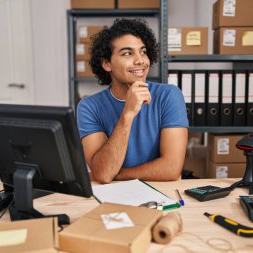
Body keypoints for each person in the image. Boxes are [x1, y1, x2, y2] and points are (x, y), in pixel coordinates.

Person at [77, 18, 188, 184]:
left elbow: (171, 168)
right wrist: (127, 115)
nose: (140, 61)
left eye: (143, 52)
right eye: (127, 53)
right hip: (112, 196)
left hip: (162, 194)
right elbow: (103, 172)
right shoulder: (89, 107)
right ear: (107, 64)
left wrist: (118, 174)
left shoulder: (169, 96)